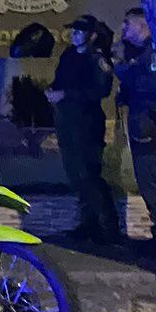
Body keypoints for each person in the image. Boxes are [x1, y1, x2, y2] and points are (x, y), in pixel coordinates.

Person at [113, 7, 156, 258]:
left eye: (128, 24)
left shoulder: (154, 54)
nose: (124, 29)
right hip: (145, 124)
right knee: (148, 180)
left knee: (152, 181)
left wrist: (123, 69)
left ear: (144, 25)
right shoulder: (142, 53)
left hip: (152, 128)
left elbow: (153, 89)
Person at [48, 14, 117, 243]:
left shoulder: (96, 59)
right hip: (67, 122)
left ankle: (109, 228)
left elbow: (100, 90)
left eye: (79, 31)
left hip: (87, 124)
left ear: (92, 35)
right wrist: (53, 92)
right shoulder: (68, 55)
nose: (74, 35)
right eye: (73, 31)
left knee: (90, 174)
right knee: (75, 175)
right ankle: (88, 225)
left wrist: (66, 94)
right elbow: (60, 80)